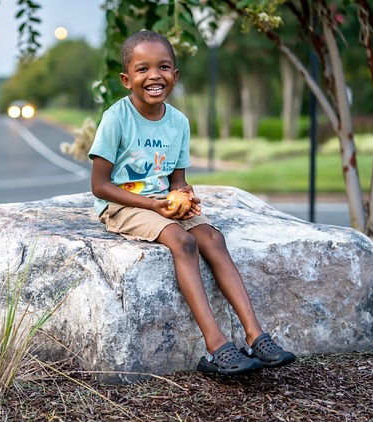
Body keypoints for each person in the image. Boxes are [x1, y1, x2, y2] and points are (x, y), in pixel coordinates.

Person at [88, 30, 296, 375]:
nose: (154, 76)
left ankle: (256, 336)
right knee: (183, 242)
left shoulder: (179, 123)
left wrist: (185, 196)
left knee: (213, 237)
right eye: (142, 70)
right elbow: (99, 185)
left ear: (176, 75)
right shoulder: (116, 119)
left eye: (164, 67)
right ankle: (216, 346)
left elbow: (177, 180)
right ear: (127, 79)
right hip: (123, 205)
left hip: (161, 205)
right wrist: (152, 206)